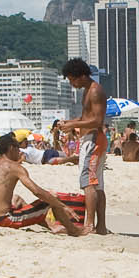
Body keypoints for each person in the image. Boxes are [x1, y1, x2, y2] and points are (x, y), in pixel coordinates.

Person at [0, 134, 81, 237]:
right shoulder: (15, 167)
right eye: (18, 147)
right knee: (52, 198)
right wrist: (63, 206)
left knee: (17, 200)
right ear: (11, 148)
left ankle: (51, 227)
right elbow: (37, 191)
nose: (20, 151)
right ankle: (74, 231)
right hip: (6, 220)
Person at [49, 59, 109, 234]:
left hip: (93, 139)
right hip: (93, 139)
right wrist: (69, 123)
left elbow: (97, 120)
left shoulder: (95, 91)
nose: (71, 84)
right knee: (97, 185)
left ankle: (89, 225)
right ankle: (101, 226)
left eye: (72, 80)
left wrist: (73, 125)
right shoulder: (88, 90)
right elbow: (86, 118)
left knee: (87, 182)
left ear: (82, 76)